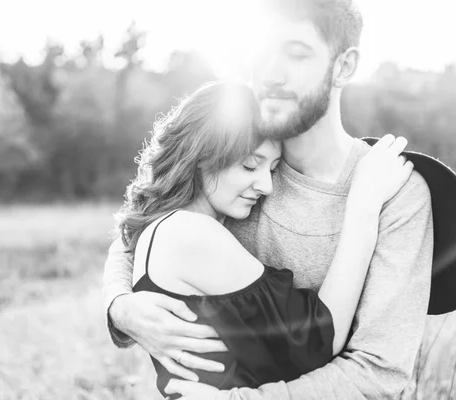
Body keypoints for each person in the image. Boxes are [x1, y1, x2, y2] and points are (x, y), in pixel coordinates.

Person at [104, 0, 434, 398]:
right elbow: (138, 236)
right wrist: (121, 306)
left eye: (296, 53)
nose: (271, 74)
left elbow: (377, 375)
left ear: (344, 66)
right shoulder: (226, 175)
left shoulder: (392, 190)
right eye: (261, 54)